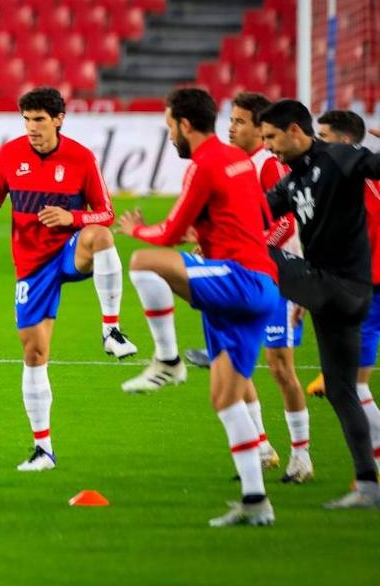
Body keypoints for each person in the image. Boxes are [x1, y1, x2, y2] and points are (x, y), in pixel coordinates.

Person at [117, 87, 282, 527]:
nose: (169, 134)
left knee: (143, 261)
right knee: (226, 398)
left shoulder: (204, 164)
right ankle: (256, 503)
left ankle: (168, 361)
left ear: (185, 124)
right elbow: (262, 220)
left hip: (240, 280)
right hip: (261, 286)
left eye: (169, 126)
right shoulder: (238, 159)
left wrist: (137, 230)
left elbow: (169, 234)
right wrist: (210, 234)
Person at [0, 87, 135, 471]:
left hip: (70, 249)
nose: (32, 127)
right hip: (31, 265)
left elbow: (105, 213)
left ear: (58, 120)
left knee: (101, 237)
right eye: (26, 119)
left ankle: (111, 330)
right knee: (35, 353)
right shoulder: (10, 154)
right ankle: (44, 450)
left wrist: (72, 218)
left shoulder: (81, 158)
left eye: (39, 119)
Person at [182, 93, 311, 482]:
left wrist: (249, 250)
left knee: (280, 367)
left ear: (260, 128)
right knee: (237, 364)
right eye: (231, 120)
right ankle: (261, 447)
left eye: (240, 122)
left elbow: (285, 222)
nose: (231, 128)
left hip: (278, 277)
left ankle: (301, 455)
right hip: (245, 275)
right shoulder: (236, 163)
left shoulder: (267, 165)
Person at [258, 99, 380, 508]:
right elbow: (255, 213)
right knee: (343, 391)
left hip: (342, 288)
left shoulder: (339, 157)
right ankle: (368, 485)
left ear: (295, 130)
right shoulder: (293, 180)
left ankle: (227, 322)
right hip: (333, 295)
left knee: (255, 254)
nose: (267, 146)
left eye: (271, 137)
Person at [311, 110, 380, 474]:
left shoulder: (348, 180)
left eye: (324, 136)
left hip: (368, 287)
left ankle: (371, 473)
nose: (318, 142)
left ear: (344, 140)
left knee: (354, 388)